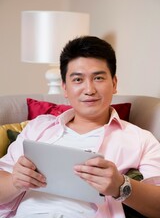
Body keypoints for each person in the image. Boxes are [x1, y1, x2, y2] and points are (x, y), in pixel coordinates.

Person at [0, 36, 160, 218]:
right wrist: (15, 181)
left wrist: (120, 185)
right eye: (77, 80)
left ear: (114, 84)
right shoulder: (37, 128)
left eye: (98, 78)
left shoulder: (140, 139)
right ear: (64, 88)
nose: (89, 89)